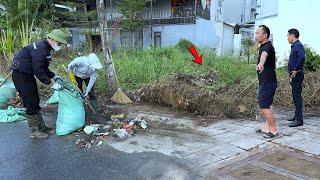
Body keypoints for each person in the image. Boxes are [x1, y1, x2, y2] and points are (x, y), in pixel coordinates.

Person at [11, 29, 68, 139]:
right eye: (59, 42)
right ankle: (34, 131)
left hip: (27, 75)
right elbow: (39, 71)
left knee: (35, 100)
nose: (59, 45)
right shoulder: (40, 49)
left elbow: (44, 67)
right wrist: (51, 84)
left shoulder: (45, 48)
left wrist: (54, 76)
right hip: (21, 76)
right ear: (51, 39)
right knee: (30, 102)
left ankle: (41, 126)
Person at [255, 25, 278, 138]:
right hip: (267, 81)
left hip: (268, 82)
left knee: (263, 105)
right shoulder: (264, 45)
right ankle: (266, 127)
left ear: (265, 35)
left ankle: (273, 129)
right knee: (267, 104)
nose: (256, 35)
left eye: (258, 33)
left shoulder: (267, 47)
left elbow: (264, 56)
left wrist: (260, 64)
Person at [67, 53, 102, 117]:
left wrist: (87, 90)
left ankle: (95, 111)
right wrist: (72, 78)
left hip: (87, 77)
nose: (95, 68)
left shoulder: (95, 69)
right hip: (77, 76)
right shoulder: (80, 61)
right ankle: (80, 108)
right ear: (90, 63)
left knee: (91, 92)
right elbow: (69, 66)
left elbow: (92, 80)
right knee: (78, 92)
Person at [287, 28, 305, 127]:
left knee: (297, 96)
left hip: (297, 75)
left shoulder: (298, 45)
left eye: (288, 36)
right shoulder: (295, 46)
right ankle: (296, 115)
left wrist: (296, 69)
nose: (287, 38)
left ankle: (299, 120)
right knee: (295, 96)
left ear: (293, 36)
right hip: (295, 75)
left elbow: (302, 57)